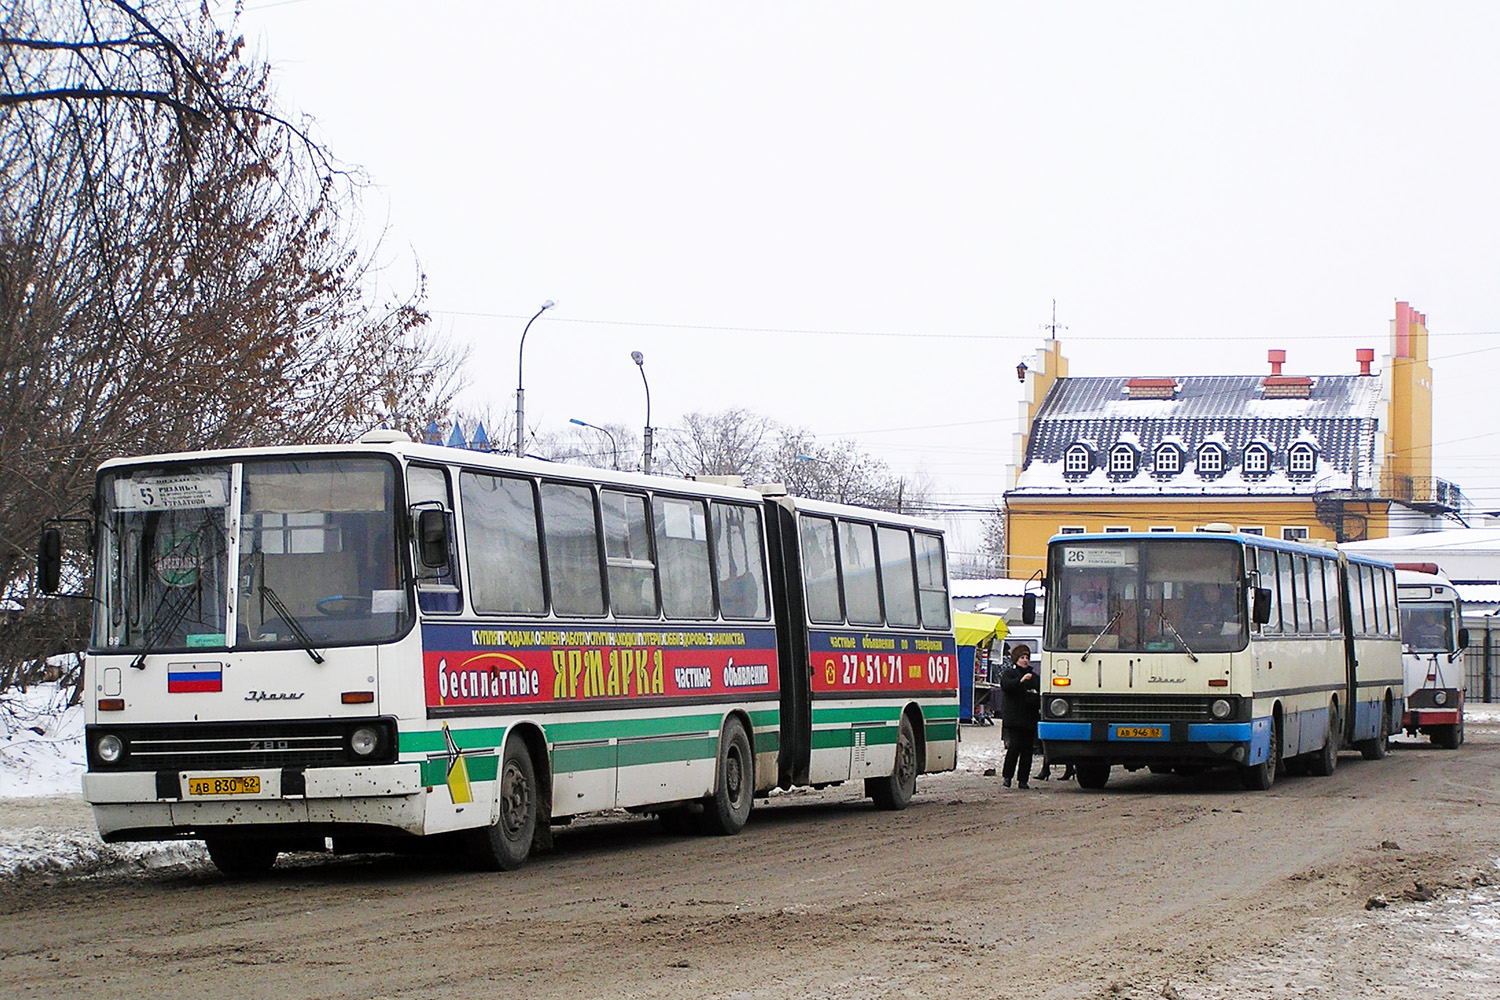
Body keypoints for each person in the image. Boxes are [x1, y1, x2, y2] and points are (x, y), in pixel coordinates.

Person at [999, 644, 1041, 789]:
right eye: (1022, 657)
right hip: (1014, 719)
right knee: (1014, 747)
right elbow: (1006, 686)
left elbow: (1039, 692)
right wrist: (1021, 681)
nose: (1025, 660)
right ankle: (1007, 777)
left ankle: (1023, 780)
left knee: (1027, 750)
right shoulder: (1010, 673)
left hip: (1029, 719)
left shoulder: (1034, 677)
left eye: (1027, 657)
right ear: (1016, 659)